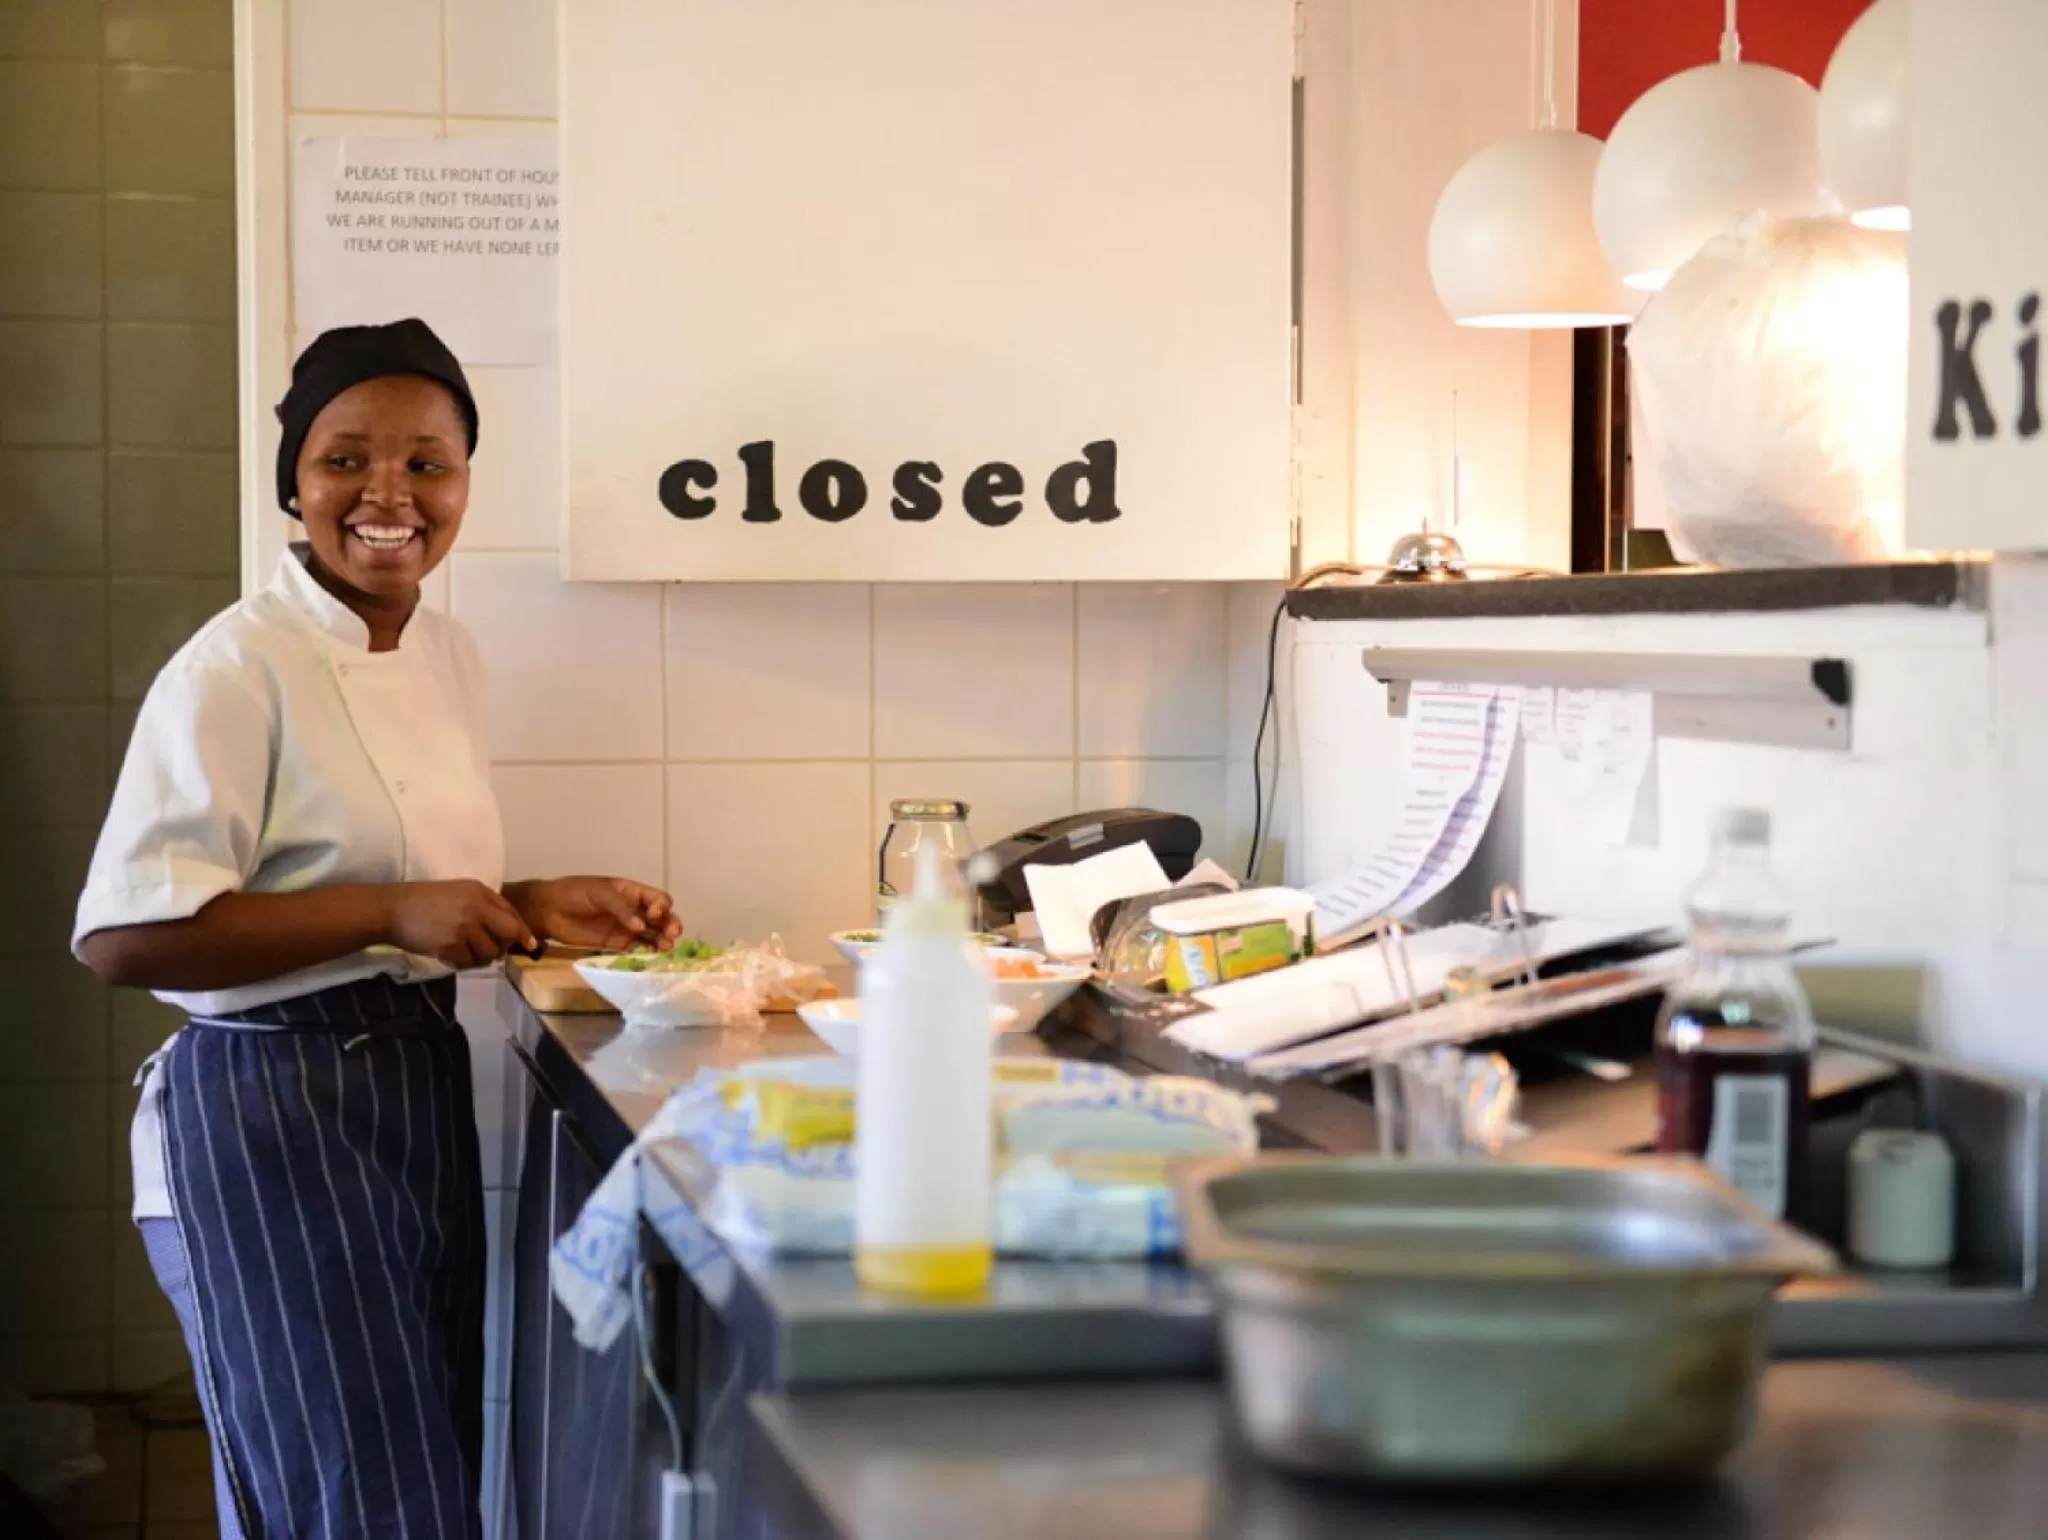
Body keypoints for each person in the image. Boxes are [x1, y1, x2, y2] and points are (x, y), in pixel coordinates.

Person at [72, 317, 678, 1539]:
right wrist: (397, 912)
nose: (388, 493)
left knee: (427, 1468)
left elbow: (401, 873)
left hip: (409, 1083)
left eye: (427, 461)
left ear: (464, 482)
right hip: (268, 1109)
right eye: (345, 459)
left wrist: (534, 900)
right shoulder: (235, 665)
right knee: (347, 1497)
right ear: (292, 484)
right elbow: (126, 939)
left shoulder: (448, 653)